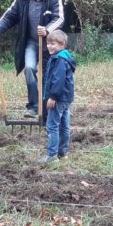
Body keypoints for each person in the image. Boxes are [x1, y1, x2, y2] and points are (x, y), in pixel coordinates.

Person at [0, 0, 65, 118]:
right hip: (31, 42)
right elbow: (9, 17)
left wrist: (47, 30)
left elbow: (59, 18)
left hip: (50, 45)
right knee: (29, 69)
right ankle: (34, 107)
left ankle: (47, 110)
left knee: (48, 76)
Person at [39, 30, 76, 164]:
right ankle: (62, 152)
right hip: (66, 98)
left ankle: (52, 156)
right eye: (48, 43)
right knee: (64, 125)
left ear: (62, 44)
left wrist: (53, 97)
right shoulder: (64, 57)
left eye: (53, 44)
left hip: (58, 98)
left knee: (52, 126)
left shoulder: (59, 60)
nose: (49, 46)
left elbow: (58, 80)